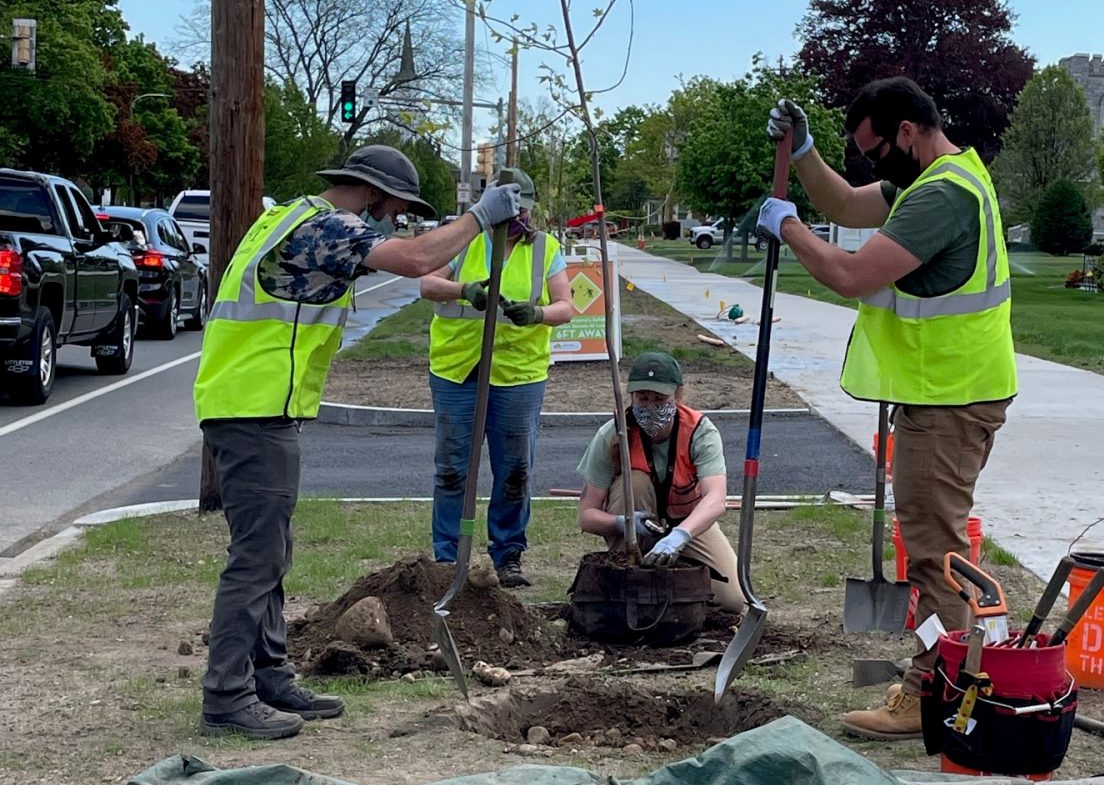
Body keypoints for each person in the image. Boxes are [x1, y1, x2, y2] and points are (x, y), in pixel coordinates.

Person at [193, 144, 521, 740]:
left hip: (252, 404)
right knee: (257, 558)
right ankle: (226, 695)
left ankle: (269, 677)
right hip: (252, 406)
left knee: (272, 550)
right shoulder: (330, 226)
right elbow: (420, 259)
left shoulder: (292, 218)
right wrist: (481, 214)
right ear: (372, 194)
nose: (393, 221)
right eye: (394, 209)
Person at [760, 77, 1017, 740]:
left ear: (909, 131)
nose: (873, 166)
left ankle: (934, 693)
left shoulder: (941, 198)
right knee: (936, 546)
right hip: (947, 391)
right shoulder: (943, 176)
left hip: (952, 395)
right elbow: (846, 206)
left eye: (877, 151)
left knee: (935, 554)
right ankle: (949, 683)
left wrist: (787, 226)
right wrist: (809, 152)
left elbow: (850, 273)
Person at [421, 168, 575, 589]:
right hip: (458, 370)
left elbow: (566, 306)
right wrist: (464, 289)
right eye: (510, 202)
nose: (517, 211)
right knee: (452, 468)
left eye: (523, 203)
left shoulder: (545, 248)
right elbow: (428, 285)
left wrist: (537, 314)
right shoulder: (464, 239)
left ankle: (508, 555)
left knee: (515, 469)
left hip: (518, 375)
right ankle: (448, 558)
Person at [575, 351, 745, 615]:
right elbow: (587, 515)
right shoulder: (612, 434)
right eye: (643, 398)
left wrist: (680, 534)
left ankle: (674, 587)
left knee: (732, 600)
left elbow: (715, 499)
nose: (651, 407)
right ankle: (629, 580)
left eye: (660, 399)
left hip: (686, 524)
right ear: (631, 397)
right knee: (635, 482)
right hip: (634, 532)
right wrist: (624, 522)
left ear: (678, 397)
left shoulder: (700, 432)